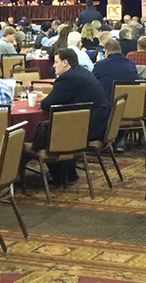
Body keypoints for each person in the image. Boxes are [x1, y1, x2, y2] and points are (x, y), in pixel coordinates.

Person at [37, 48, 109, 185]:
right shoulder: (81, 73)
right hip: (100, 121)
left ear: (65, 63)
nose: (53, 66)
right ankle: (68, 173)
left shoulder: (67, 78)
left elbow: (46, 105)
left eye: (56, 62)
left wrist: (44, 99)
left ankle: (60, 175)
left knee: (46, 133)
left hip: (89, 128)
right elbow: (68, 96)